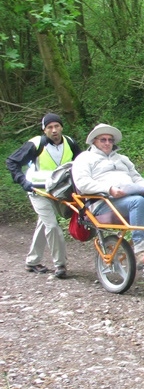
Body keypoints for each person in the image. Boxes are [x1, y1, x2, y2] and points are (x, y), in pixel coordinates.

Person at [71, 123, 144, 266]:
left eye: (110, 140)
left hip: (126, 198)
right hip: (102, 203)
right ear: (94, 141)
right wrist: (109, 189)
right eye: (103, 140)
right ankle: (140, 252)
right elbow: (82, 183)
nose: (107, 143)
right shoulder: (84, 158)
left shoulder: (122, 159)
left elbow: (136, 177)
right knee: (137, 201)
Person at [6, 113, 82, 278]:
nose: (54, 130)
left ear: (62, 127)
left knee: (44, 223)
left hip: (58, 191)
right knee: (52, 226)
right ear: (44, 129)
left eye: (56, 126)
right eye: (49, 127)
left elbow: (81, 165)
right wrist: (22, 181)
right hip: (37, 191)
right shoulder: (35, 144)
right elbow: (11, 161)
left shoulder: (70, 143)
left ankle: (32, 261)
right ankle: (60, 265)